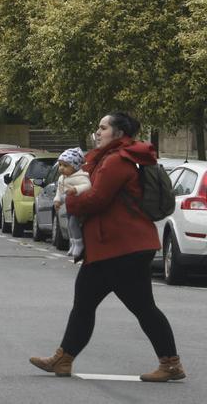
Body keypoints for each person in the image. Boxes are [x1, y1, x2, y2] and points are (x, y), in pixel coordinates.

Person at [29, 112, 184, 382]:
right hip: (118, 246)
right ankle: (63, 359)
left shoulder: (117, 161)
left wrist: (70, 202)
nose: (98, 132)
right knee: (92, 302)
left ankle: (170, 364)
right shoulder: (114, 158)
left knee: (134, 307)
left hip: (121, 248)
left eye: (103, 128)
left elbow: (98, 198)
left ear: (119, 133)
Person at [52, 147, 90, 259]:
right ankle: (73, 243)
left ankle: (79, 243)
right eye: (60, 165)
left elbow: (87, 185)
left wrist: (76, 189)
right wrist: (57, 200)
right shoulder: (61, 178)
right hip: (69, 206)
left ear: (75, 166)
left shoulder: (80, 177)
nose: (61, 168)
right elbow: (59, 191)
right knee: (69, 225)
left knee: (73, 223)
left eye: (65, 165)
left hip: (78, 205)